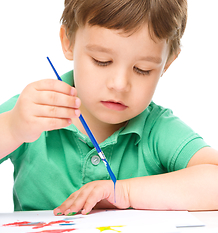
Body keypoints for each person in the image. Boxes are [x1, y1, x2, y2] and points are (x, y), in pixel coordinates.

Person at [1, 0, 218, 216]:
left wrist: (125, 192)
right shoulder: (30, 111)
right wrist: (11, 128)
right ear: (68, 41)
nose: (120, 84)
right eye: (101, 61)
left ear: (167, 63)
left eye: (142, 69)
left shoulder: (157, 129)